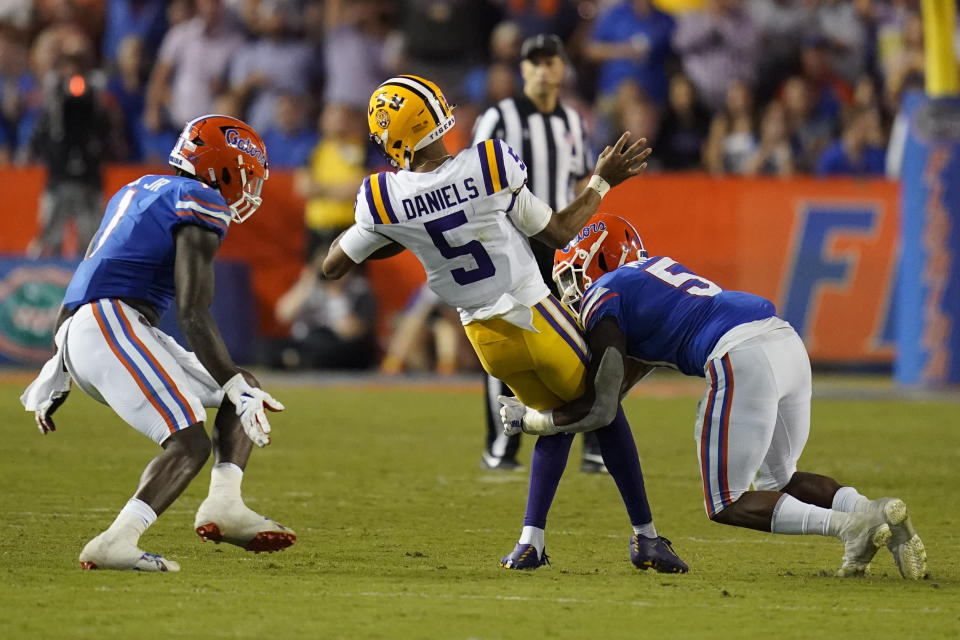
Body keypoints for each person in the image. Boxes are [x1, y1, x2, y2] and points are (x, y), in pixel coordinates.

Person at [322, 74, 688, 573]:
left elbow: (333, 266)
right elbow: (559, 231)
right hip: (533, 318)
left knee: (568, 414)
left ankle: (531, 542)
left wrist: (405, 230)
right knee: (602, 405)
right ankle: (645, 537)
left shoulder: (383, 196)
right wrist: (602, 181)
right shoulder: (488, 162)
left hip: (486, 343)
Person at [498, 213, 927, 580]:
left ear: (600, 261)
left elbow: (601, 407)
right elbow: (613, 396)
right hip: (784, 341)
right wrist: (574, 409)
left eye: (575, 274)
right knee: (781, 480)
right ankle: (877, 511)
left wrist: (531, 420)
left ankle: (850, 526)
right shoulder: (651, 279)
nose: (573, 290)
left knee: (727, 502)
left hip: (740, 355)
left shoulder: (605, 293)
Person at [20, 114, 295, 572]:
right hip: (111, 321)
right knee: (191, 438)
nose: (248, 187)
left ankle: (225, 504)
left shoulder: (140, 187)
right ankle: (116, 540)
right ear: (222, 167)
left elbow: (84, 278)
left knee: (241, 383)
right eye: (245, 173)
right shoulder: (200, 198)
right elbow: (191, 311)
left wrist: (61, 363)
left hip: (95, 325)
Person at [471, 34, 606, 473]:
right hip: (511, 242)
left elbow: (575, 182)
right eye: (534, 62)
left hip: (560, 241)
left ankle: (592, 443)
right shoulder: (499, 117)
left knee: (586, 335)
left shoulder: (572, 119)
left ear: (562, 69)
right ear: (522, 69)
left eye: (550, 61)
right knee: (506, 343)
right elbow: (473, 179)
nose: (543, 69)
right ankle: (503, 447)